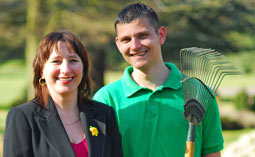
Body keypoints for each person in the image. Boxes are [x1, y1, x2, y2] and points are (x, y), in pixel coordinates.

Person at [93, 3, 224, 157]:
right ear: (118, 44)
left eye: (142, 35)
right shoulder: (106, 99)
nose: (135, 46)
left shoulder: (200, 93)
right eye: (126, 39)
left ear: (161, 35)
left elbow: (212, 153)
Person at [4, 31, 123, 157]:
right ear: (41, 71)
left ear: (83, 68)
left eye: (73, 60)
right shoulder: (23, 117)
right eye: (56, 61)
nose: (66, 69)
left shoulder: (104, 114)